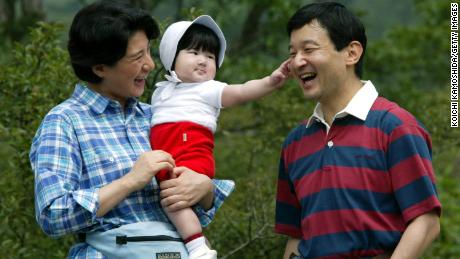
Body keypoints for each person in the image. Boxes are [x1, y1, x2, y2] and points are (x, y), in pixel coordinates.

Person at [29, 1, 234, 258]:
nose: (149, 64)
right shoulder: (65, 121)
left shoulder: (156, 115)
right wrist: (129, 182)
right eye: (137, 57)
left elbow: (197, 210)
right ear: (100, 67)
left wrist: (205, 190)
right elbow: (52, 215)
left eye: (149, 51)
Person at [275, 2, 441, 259]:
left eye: (308, 49)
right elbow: (296, 236)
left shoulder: (394, 127)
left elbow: (426, 222)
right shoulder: (295, 142)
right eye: (292, 52)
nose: (297, 62)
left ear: (351, 53)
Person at [150, 15, 290, 258]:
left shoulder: (209, 89)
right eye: (194, 52)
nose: (203, 60)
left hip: (191, 155)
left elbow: (242, 91)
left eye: (211, 56)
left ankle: (198, 247)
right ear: (172, 56)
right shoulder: (161, 91)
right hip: (168, 158)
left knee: (172, 201)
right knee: (170, 200)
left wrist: (270, 81)